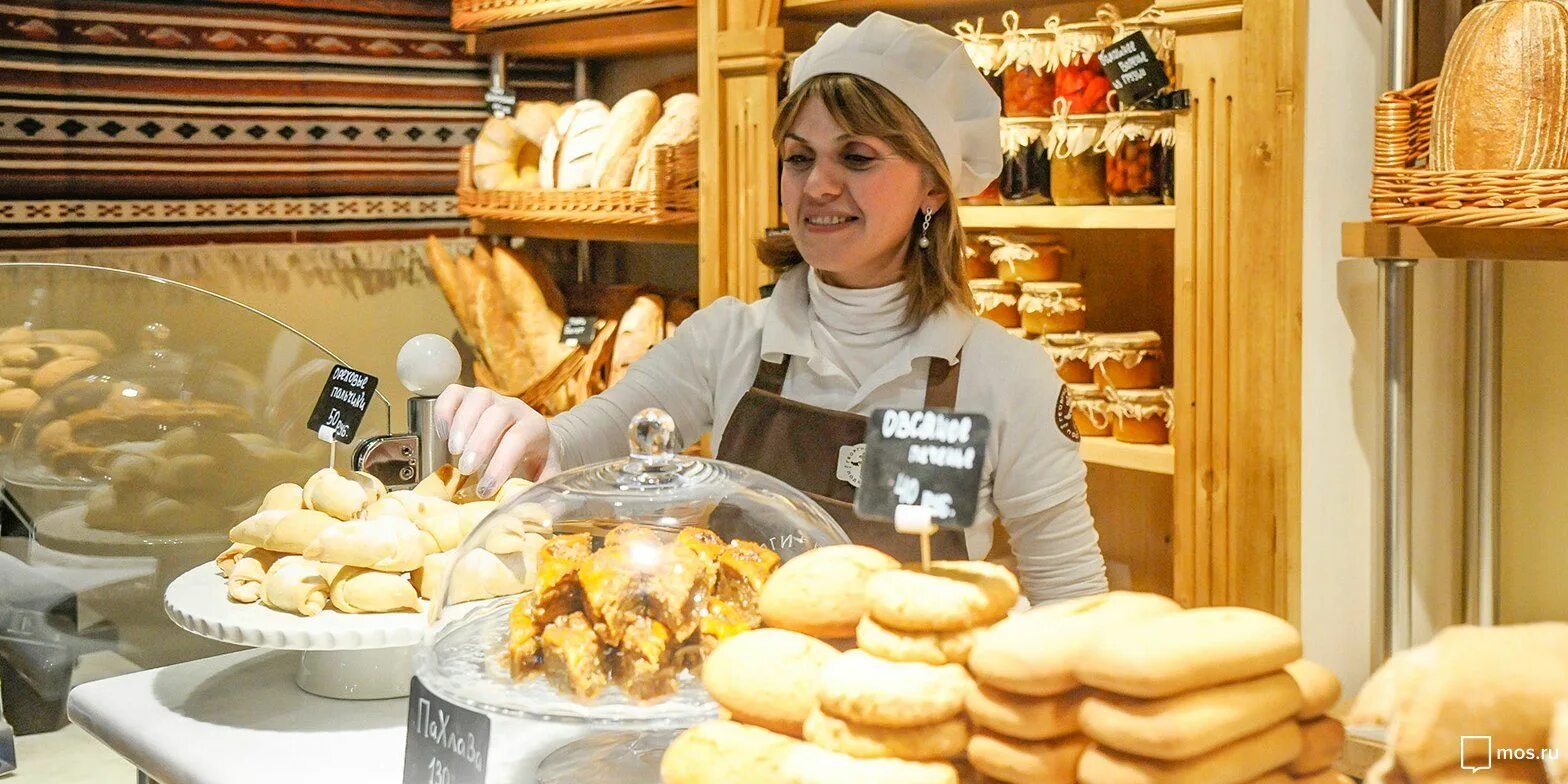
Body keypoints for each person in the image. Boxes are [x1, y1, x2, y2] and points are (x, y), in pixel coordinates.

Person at [434, 12, 1107, 603]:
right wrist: (527, 432)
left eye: (858, 157)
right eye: (799, 157)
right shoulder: (729, 339)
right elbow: (585, 444)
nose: (817, 184)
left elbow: (1071, 599)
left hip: (916, 718)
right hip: (748, 704)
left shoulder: (1006, 376)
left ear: (933, 186)